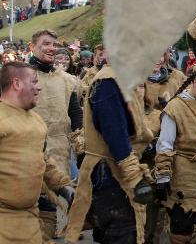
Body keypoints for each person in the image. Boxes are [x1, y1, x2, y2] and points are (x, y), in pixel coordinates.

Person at [65, 51, 154, 244]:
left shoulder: (121, 80)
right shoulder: (108, 82)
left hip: (113, 171)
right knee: (123, 234)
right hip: (110, 174)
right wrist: (135, 177)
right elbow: (114, 133)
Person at [0, 62, 75, 243]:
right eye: (34, 82)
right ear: (17, 84)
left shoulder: (36, 120)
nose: (38, 87)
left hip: (29, 220)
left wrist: (64, 188)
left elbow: (42, 159)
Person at [155, 64, 196, 243]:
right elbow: (165, 143)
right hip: (184, 180)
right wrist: (163, 177)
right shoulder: (175, 107)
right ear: (195, 81)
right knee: (182, 233)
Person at [28, 29, 83, 241]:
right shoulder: (20, 76)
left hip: (58, 154)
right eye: (45, 44)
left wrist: (80, 148)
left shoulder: (67, 80)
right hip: (27, 153)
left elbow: (75, 115)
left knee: (49, 211)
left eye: (53, 44)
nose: (51, 48)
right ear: (33, 47)